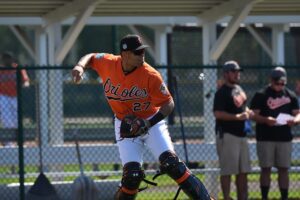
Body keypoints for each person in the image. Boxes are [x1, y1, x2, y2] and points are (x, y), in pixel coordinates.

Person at [71, 34, 212, 200]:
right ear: (125, 55)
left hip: (151, 122)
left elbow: (169, 104)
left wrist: (148, 122)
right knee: (132, 175)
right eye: (137, 52)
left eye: (142, 51)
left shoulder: (150, 75)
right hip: (125, 125)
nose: (142, 55)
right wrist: (80, 66)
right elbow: (92, 56)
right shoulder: (109, 63)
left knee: (172, 164)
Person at [250, 67, 300, 200]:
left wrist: (294, 121)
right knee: (266, 168)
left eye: (283, 83)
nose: (280, 85)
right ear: (271, 80)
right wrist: (266, 120)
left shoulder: (290, 95)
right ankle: (264, 196)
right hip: (265, 137)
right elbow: (253, 115)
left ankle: (284, 197)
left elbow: (298, 113)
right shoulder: (261, 94)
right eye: (277, 82)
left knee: (284, 169)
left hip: (284, 138)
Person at [213, 60, 252, 200]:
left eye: (238, 72)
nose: (237, 74)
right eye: (234, 71)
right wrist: (237, 117)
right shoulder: (221, 92)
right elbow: (217, 113)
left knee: (243, 171)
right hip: (228, 135)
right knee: (228, 171)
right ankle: (227, 197)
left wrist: (248, 112)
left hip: (242, 135)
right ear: (226, 73)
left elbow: (243, 107)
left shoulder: (238, 89)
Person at [0, 52, 30, 147]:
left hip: (15, 96)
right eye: (5, 58)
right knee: (6, 119)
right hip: (3, 96)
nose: (6, 60)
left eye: (8, 58)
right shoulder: (1, 69)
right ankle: (8, 143)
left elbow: (26, 80)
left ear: (12, 59)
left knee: (17, 120)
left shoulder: (17, 68)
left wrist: (25, 85)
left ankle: (19, 141)